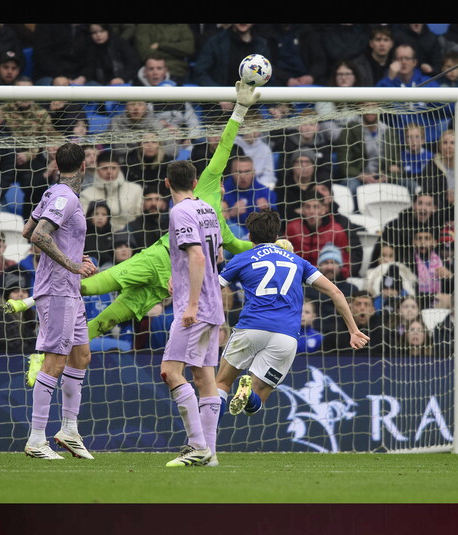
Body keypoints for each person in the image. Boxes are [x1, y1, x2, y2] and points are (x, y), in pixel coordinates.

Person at [8, 82, 261, 387]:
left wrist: (275, 244)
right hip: (156, 260)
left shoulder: (219, 222)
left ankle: (49, 356)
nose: (222, 178)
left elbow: (239, 245)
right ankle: (36, 321)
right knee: (92, 286)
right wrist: (240, 110)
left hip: (166, 286)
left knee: (105, 322)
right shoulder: (204, 188)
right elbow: (223, 147)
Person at [215, 210, 370, 421]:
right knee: (255, 405)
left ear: (249, 237)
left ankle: (205, 444)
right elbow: (336, 292)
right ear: (277, 236)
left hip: (251, 327)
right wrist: (353, 330)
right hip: (286, 336)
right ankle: (248, 394)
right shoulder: (298, 262)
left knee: (221, 384)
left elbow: (214, 290)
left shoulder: (242, 258)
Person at [19, 142, 98, 460]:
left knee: (81, 356)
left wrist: (73, 255)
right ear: (83, 166)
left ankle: (69, 430)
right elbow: (38, 235)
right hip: (57, 290)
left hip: (70, 290)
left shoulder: (54, 192)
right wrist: (72, 263)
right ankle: (36, 439)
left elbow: (27, 229)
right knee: (55, 361)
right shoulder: (66, 196)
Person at [157, 156, 226, 467]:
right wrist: (179, 273)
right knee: (204, 377)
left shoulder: (179, 211)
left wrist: (192, 303)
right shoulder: (207, 209)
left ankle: (197, 446)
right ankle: (209, 455)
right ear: (196, 182)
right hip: (215, 305)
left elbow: (198, 257)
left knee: (170, 372)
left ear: (167, 183)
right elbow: (216, 255)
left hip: (195, 308)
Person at [284, 187, 352, 279]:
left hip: (327, 280)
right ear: (302, 210)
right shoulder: (292, 228)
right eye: (307, 207)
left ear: (323, 210)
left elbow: (345, 265)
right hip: (297, 278)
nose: (311, 211)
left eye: (316, 207)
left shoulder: (337, 231)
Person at [79, 150, 143, 233]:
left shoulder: (135, 190)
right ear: (97, 169)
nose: (109, 172)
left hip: (130, 238)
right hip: (99, 238)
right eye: (104, 168)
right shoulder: (86, 195)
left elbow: (139, 218)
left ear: (119, 168)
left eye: (113, 168)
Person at [0, 272, 38, 354]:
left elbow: (32, 342)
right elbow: (14, 346)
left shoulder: (25, 315)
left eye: (24, 291)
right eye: (15, 291)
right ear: (7, 296)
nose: (21, 295)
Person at [191, 24, 272, 88]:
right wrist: (219, 95)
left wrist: (274, 104)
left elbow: (268, 77)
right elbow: (200, 72)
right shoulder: (216, 42)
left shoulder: (262, 45)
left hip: (251, 104)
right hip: (219, 104)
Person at [221, 155, 277, 233]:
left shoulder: (265, 193)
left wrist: (267, 212)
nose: (243, 176)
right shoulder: (222, 192)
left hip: (258, 237)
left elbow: (277, 225)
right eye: (238, 172)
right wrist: (231, 214)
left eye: (247, 172)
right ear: (231, 173)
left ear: (254, 172)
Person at [84, 201, 115, 267]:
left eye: (104, 214)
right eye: (96, 214)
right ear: (90, 215)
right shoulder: (84, 232)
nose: (100, 217)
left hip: (106, 265)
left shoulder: (110, 233)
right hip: (88, 262)